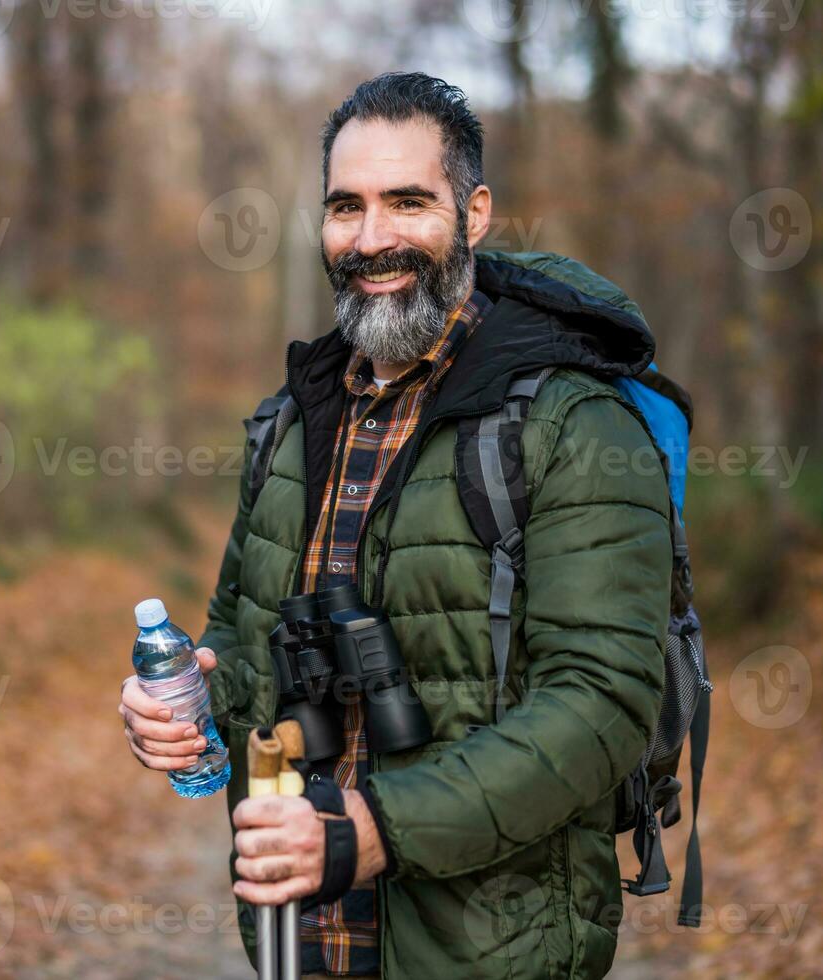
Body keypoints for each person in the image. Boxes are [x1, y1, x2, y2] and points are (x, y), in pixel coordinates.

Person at [119, 72, 671, 979]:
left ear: (475, 210)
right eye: (345, 207)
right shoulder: (292, 421)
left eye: (407, 202)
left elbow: (603, 704)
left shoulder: (572, 425)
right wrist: (187, 712)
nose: (371, 240)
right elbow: (241, 645)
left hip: (492, 949)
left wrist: (375, 830)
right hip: (298, 944)